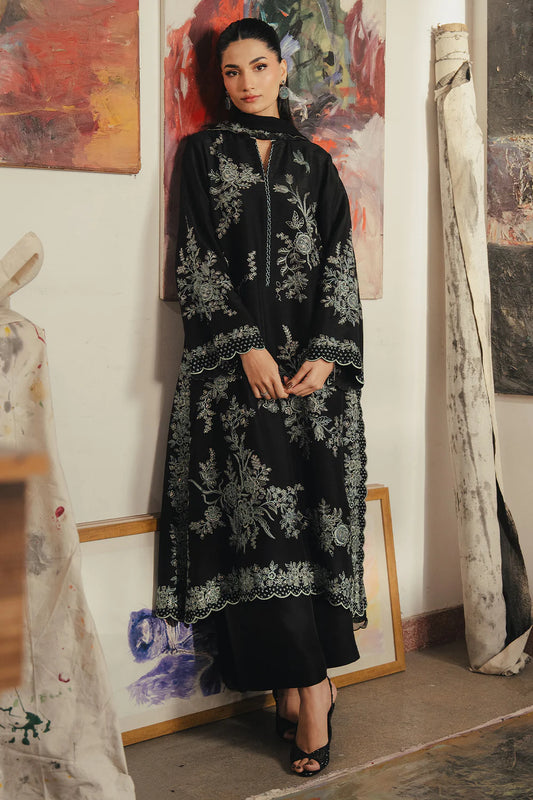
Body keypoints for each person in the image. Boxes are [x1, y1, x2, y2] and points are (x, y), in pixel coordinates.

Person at [155, 17, 367, 777]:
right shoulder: (202, 154)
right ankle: (309, 692)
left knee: (310, 533)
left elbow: (339, 261)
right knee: (261, 538)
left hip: (313, 385)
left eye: (257, 66)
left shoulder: (317, 163)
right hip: (235, 381)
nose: (244, 83)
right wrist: (244, 344)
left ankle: (306, 686)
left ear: (281, 69)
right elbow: (198, 257)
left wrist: (328, 354)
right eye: (230, 71)